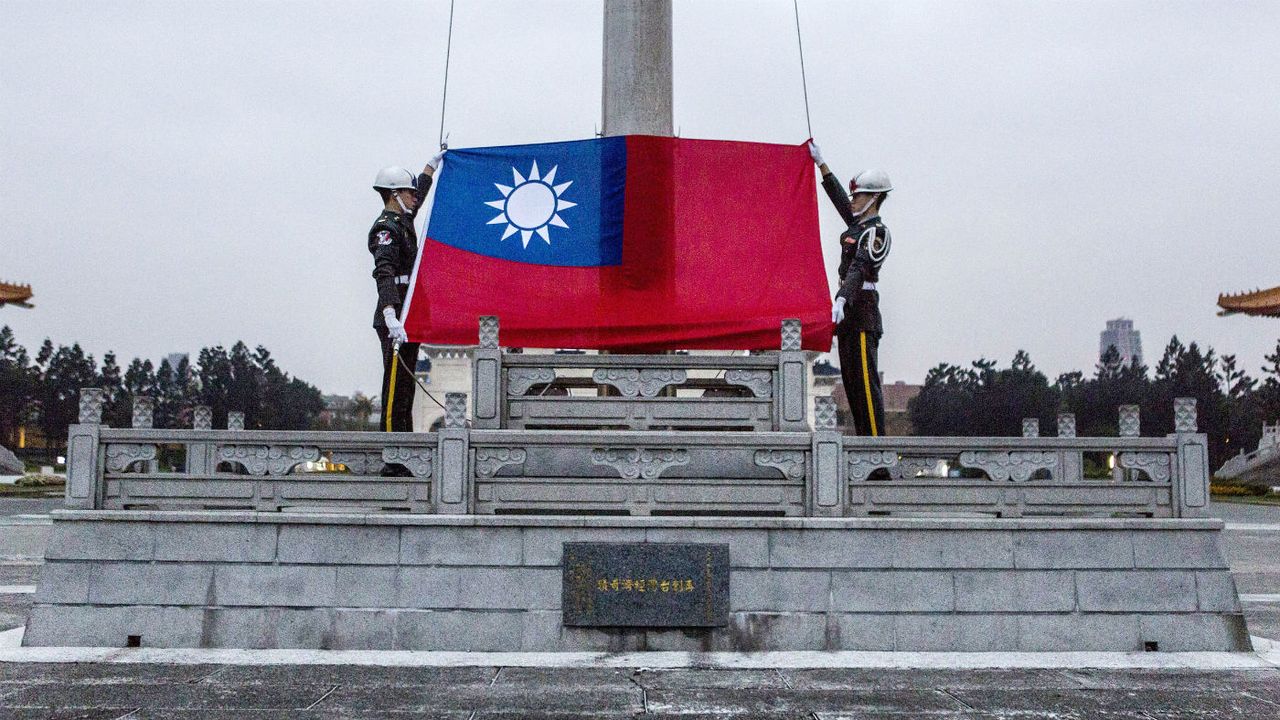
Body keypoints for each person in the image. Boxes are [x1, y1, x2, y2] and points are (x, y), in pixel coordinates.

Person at [809, 141, 892, 437]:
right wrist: (822, 165)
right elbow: (841, 202)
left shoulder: (876, 233)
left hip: (862, 309)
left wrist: (843, 297)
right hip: (847, 312)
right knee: (852, 384)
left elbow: (859, 268)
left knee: (866, 387)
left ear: (875, 198)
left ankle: (876, 452)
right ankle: (865, 445)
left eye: (860, 196)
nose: (854, 200)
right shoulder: (858, 227)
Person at [370, 150, 444, 435]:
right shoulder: (386, 229)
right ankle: (392, 449)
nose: (413, 197)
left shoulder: (402, 220)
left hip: (408, 311)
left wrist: (430, 169)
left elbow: (419, 198)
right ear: (393, 195)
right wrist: (390, 312)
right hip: (395, 313)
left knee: (405, 388)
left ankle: (405, 445)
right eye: (407, 192)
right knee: (394, 387)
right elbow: (384, 271)